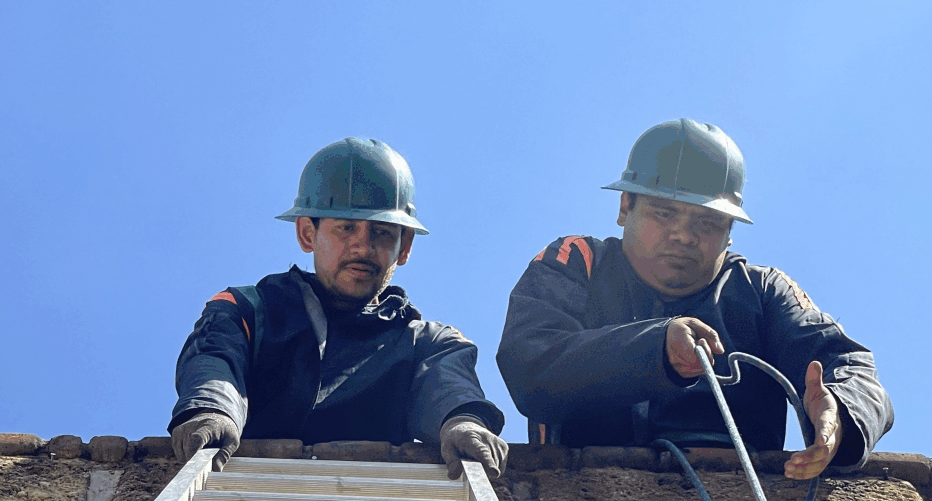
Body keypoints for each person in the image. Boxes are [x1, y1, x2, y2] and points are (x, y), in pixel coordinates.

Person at [497, 119, 892, 479]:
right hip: (581, 498)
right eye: (664, 213)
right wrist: (656, 349)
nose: (684, 235)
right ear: (624, 207)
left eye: (708, 222)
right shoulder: (577, 261)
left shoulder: (763, 289)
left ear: (730, 231)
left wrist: (841, 412)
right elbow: (531, 366)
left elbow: (850, 366)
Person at [171, 137, 507, 479]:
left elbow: (447, 385)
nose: (363, 245)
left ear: (404, 248)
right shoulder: (247, 311)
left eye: (382, 232)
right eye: (346, 227)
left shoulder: (429, 343)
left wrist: (463, 422)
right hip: (246, 497)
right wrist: (212, 411)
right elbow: (216, 360)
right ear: (306, 233)